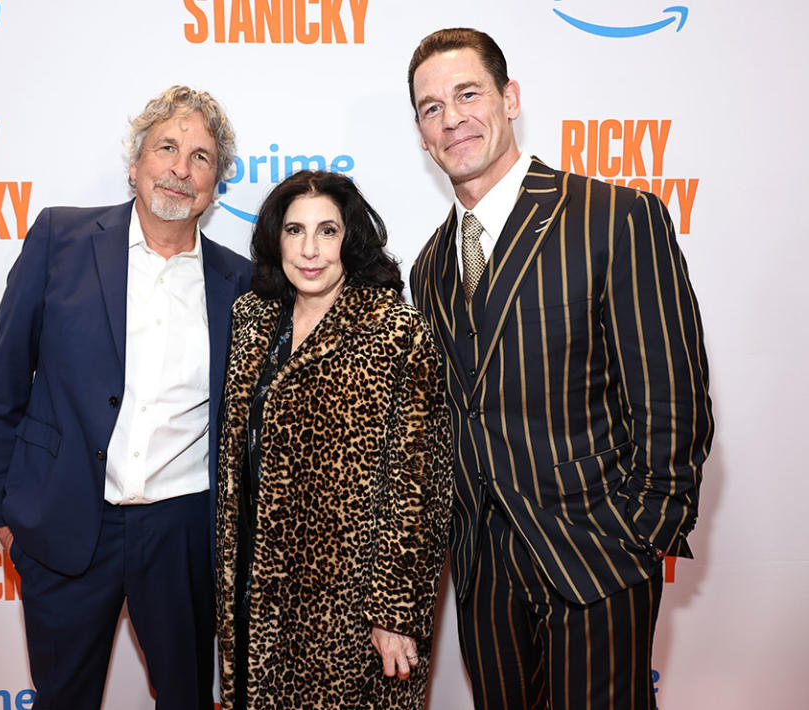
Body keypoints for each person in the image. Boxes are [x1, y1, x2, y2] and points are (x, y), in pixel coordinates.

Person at [407, 28, 713, 709]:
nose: (451, 117)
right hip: (484, 573)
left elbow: (673, 397)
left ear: (508, 98)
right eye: (431, 108)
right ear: (421, 134)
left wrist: (640, 534)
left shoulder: (613, 215)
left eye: (467, 94)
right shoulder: (427, 267)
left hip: (595, 557)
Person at [0, 86, 252, 709]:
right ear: (135, 164)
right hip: (67, 521)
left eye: (202, 157)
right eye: (168, 148)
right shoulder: (59, 238)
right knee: (63, 698)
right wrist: (2, 508)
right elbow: (4, 381)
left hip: (182, 531)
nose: (182, 168)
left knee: (185, 698)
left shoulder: (239, 282)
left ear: (215, 185)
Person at [214, 170, 453, 709]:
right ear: (276, 240)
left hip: (349, 609)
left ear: (351, 238)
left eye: (328, 231)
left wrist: (395, 614)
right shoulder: (252, 320)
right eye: (295, 231)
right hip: (258, 595)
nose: (310, 250)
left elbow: (420, 488)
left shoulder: (396, 332)